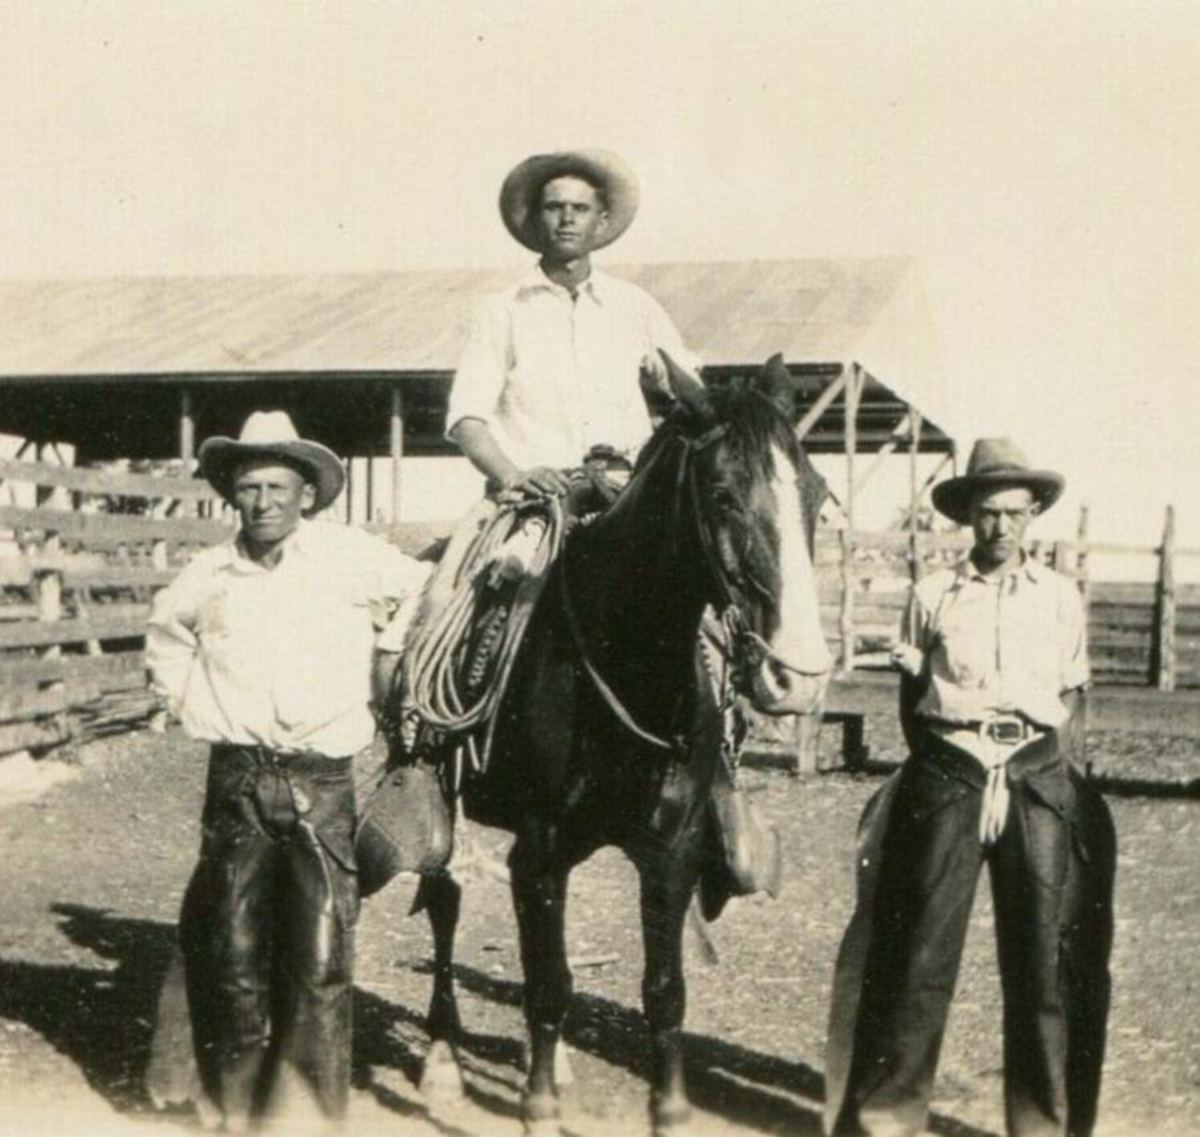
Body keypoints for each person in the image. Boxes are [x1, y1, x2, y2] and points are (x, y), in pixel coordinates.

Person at [146, 410, 429, 1132]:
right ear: (232, 496)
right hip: (237, 781)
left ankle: (304, 1116)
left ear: (307, 493)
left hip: (322, 781)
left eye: (276, 486)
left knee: (322, 953)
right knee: (233, 950)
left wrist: (389, 652)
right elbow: (167, 635)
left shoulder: (349, 558)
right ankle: (237, 1111)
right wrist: (188, 702)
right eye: (248, 488)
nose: (262, 500)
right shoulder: (208, 573)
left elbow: (426, 588)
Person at [824, 438, 1116, 1137]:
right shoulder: (932, 595)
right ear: (969, 518)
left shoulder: (1059, 598)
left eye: (1015, 512)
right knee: (917, 953)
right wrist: (949, 763)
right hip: (949, 768)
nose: (1001, 527)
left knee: (1044, 959)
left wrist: (1042, 774)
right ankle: (885, 1118)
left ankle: (1042, 1124)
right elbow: (913, 696)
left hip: (1035, 775)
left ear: (1033, 514)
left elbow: (1072, 695)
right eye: (988, 513)